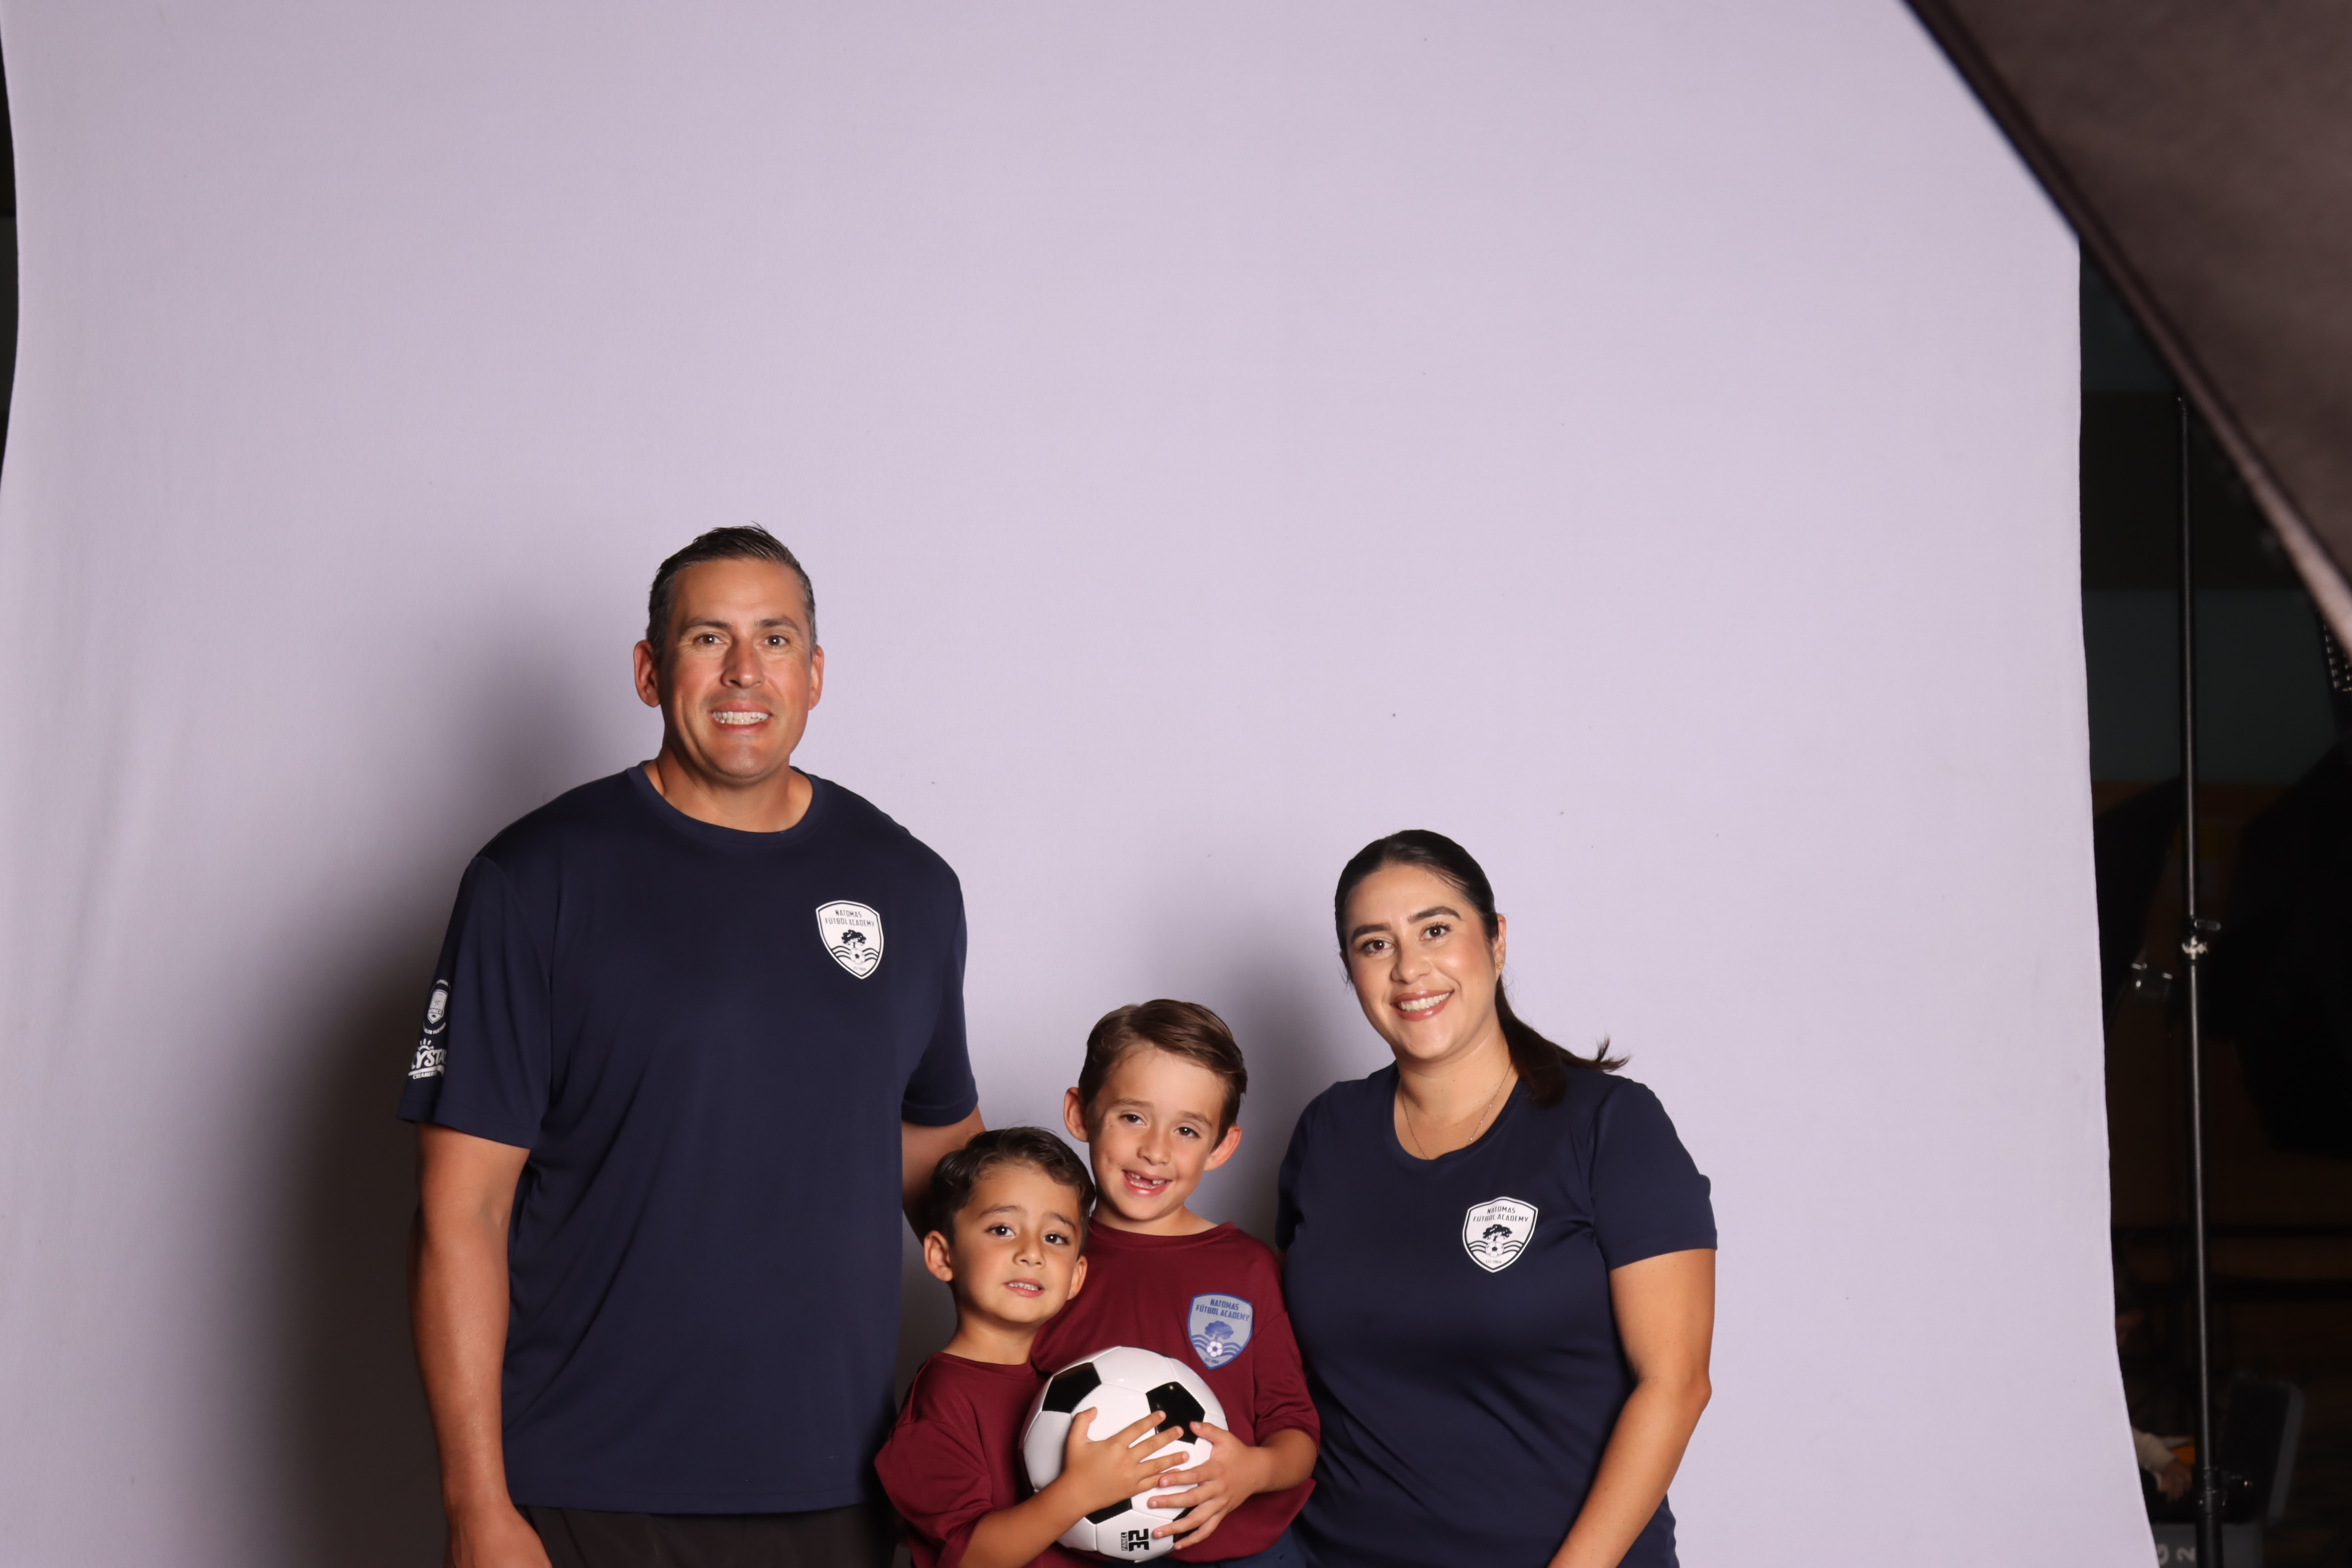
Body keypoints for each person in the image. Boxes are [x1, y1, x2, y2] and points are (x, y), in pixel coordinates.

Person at [402, 526, 985, 1568]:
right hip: (583, 1484)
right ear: (648, 670)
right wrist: (475, 1505)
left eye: (775, 639)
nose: (744, 671)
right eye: (708, 638)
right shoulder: (534, 880)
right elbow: (462, 1211)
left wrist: (1078, 1335)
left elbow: (946, 1167)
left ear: (815, 674)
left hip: (840, 1482)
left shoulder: (911, 887)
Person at [1276, 831, 1716, 1568]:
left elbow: (1675, 1384)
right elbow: (1281, 1364)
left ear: (1497, 939)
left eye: (1436, 930)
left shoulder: (1611, 1125)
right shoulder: (1327, 1131)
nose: (1409, 967)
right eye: (1375, 945)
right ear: (1351, 971)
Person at [1032, 1001, 1319, 1566]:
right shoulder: (1047, 1259)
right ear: (1080, 1113)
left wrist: (1252, 1470)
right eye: (1132, 1116)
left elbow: (1296, 1432)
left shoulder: (1246, 1269)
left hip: (1238, 1555)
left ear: (1222, 1146)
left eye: (1187, 1129)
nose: (1156, 1150)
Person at [878, 1127, 1189, 1568]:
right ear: (943, 1256)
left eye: (1055, 1238)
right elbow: (970, 1559)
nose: (1032, 1253)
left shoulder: (1074, 1384)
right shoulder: (941, 1399)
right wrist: (1082, 1490)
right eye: (1002, 1229)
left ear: (1076, 1277)